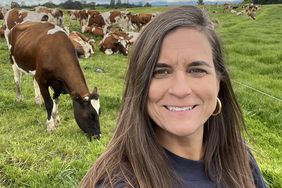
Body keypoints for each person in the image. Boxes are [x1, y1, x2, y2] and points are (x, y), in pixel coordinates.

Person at [80, 6, 267, 188]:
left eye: (197, 70)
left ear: (218, 83)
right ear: (140, 85)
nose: (180, 90)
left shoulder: (239, 155)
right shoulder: (119, 183)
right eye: (160, 72)